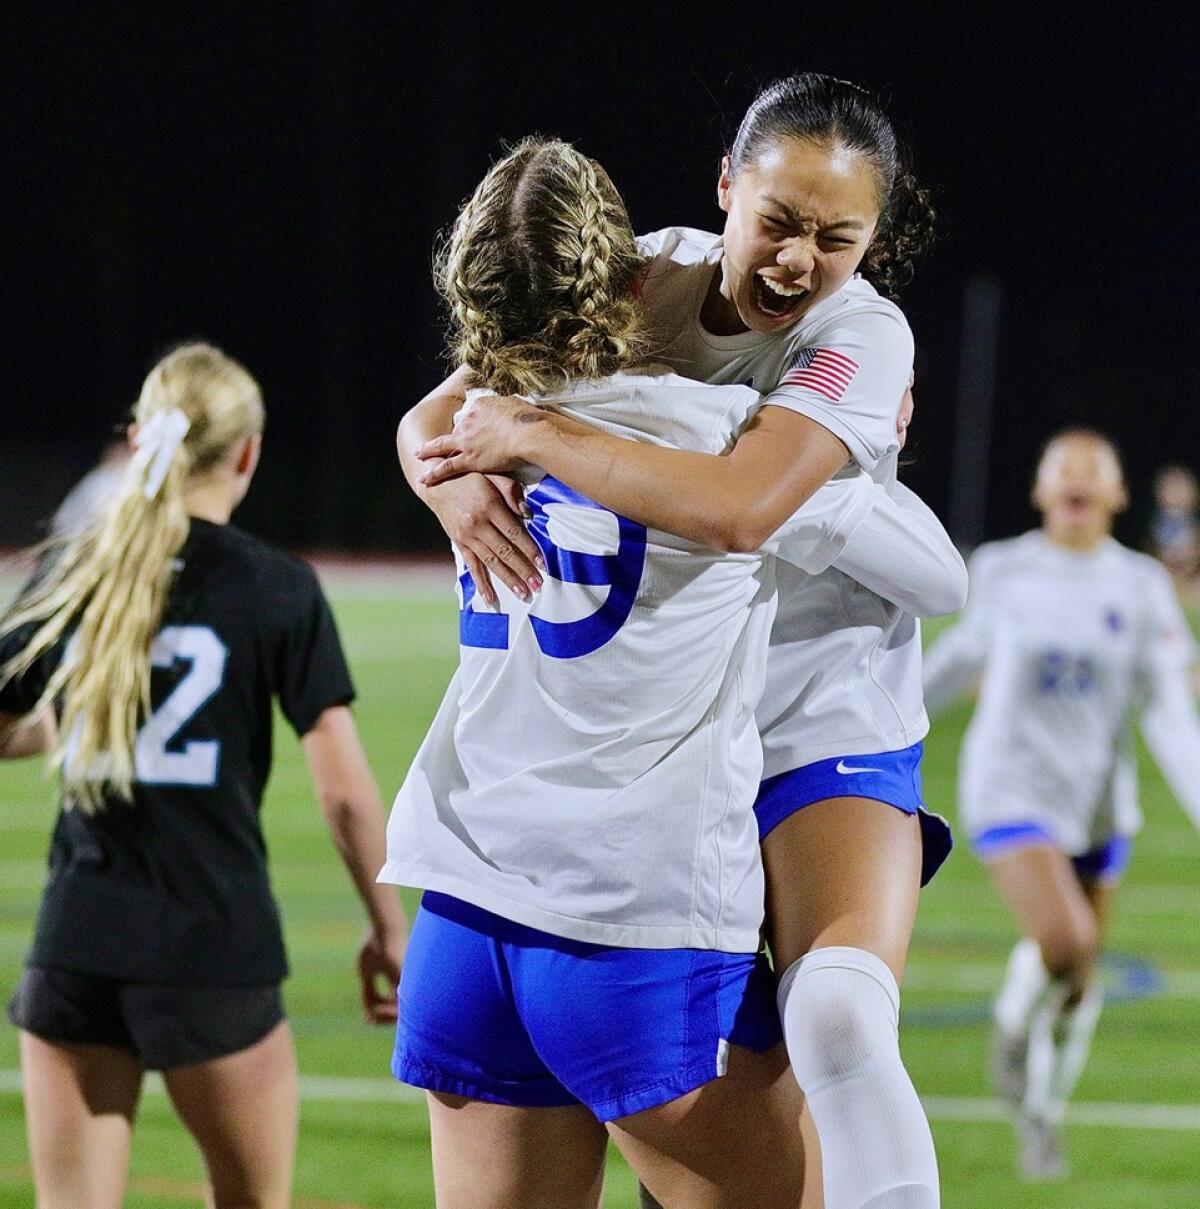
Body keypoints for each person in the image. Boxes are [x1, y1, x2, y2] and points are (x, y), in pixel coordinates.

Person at [384, 136, 963, 1209]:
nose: (797, 258)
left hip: (469, 894)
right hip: (626, 907)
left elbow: (441, 414)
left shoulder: (483, 425)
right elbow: (900, 561)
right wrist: (851, 459)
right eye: (778, 223)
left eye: (834, 236)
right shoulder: (715, 434)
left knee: (832, 1019)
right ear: (640, 263)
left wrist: (466, 456)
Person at [0, 343, 407, 1209]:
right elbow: (342, 790)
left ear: (142, 438)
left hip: (76, 947)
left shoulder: (79, 565)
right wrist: (386, 927)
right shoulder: (276, 587)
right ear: (248, 454)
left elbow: (7, 723)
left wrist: (70, 721)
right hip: (212, 947)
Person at [922, 429, 1200, 1180]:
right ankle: (1013, 1021)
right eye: (1062, 468)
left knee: (1079, 987)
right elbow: (959, 657)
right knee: (1068, 940)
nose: (1077, 478)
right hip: (1011, 788)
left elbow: (1168, 709)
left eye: (1095, 470)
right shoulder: (1005, 567)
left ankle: (1039, 1115)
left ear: (1114, 494)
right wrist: (890, 719)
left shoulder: (1142, 584)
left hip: (1102, 805)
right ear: (1042, 491)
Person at [1147, 464, 1200, 596]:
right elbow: (1153, 548)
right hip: (1165, 575)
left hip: (1191, 577)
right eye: (1172, 488)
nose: (1177, 494)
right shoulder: (1158, 525)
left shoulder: (1192, 524)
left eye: (1181, 489)